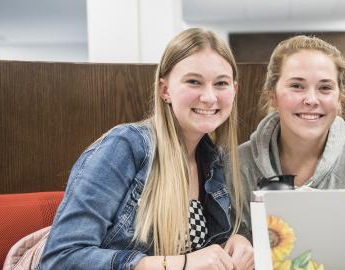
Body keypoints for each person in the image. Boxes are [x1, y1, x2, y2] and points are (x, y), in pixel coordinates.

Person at [39, 28, 254, 270]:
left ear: (234, 90)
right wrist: (179, 264)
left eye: (221, 83)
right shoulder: (126, 146)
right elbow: (60, 260)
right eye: (193, 81)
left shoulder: (215, 162)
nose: (209, 97)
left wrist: (234, 243)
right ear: (165, 90)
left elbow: (203, 255)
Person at [238, 35, 345, 191]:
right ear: (272, 96)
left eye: (325, 88)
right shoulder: (238, 165)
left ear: (339, 98)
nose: (311, 100)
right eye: (297, 86)